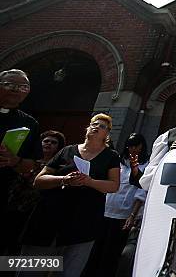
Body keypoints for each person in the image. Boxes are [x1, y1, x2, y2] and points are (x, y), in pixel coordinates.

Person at [19, 114, 120, 277]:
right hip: (49, 218)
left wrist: (88, 181)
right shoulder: (67, 150)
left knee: (68, 271)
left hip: (83, 223)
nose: (96, 127)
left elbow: (113, 186)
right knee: (31, 269)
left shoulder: (111, 156)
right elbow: (39, 180)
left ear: (107, 134)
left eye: (102, 126)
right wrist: (64, 179)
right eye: (94, 124)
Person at [83, 133, 149, 277]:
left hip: (124, 215)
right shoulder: (117, 162)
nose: (134, 149)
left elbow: (141, 192)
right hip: (106, 210)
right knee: (95, 250)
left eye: (137, 146)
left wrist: (132, 215)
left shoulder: (146, 165)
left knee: (112, 252)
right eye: (131, 145)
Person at [0, 69, 41, 255]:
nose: (17, 90)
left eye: (23, 86)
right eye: (10, 84)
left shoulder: (29, 123)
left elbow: (33, 162)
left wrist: (15, 160)